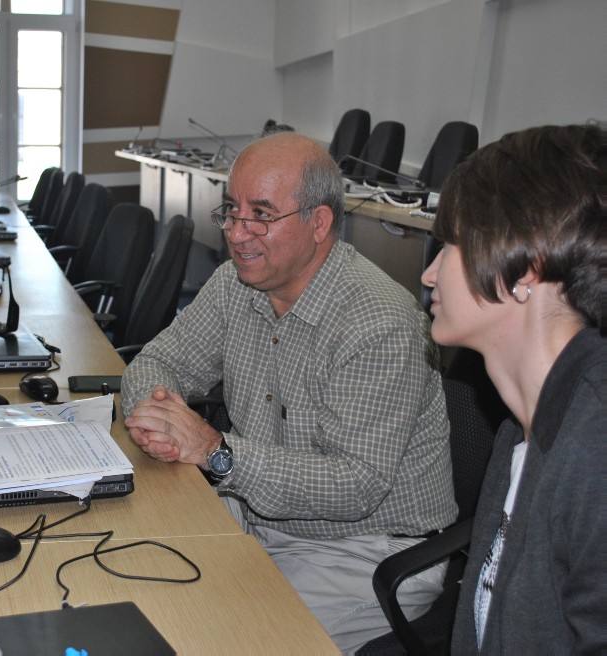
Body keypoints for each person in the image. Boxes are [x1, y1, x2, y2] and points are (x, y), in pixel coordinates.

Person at [121, 132, 457, 653]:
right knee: (133, 582)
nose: (237, 233)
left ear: (318, 223)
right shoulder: (237, 283)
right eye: (232, 211)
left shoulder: (378, 323)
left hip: (364, 551)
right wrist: (156, 417)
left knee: (212, 642)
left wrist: (216, 452)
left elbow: (356, 485)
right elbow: (161, 361)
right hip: (256, 514)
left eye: (261, 214)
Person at [420, 123, 605, 653]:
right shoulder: (519, 424)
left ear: (526, 266)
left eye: (451, 246)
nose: (430, 274)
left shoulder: (596, 449)